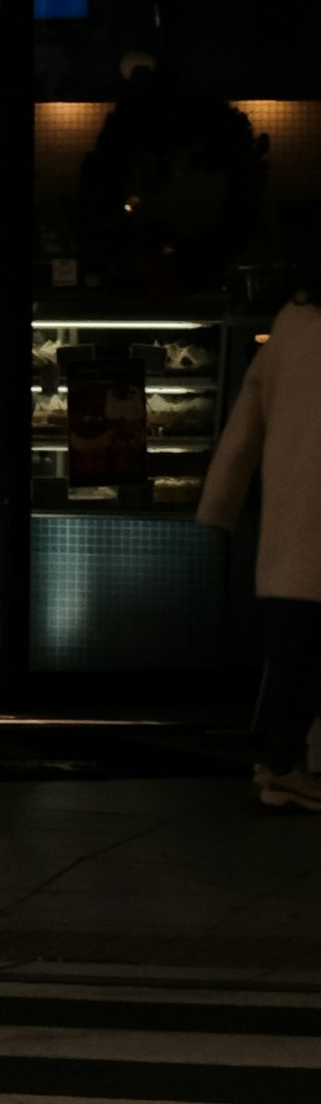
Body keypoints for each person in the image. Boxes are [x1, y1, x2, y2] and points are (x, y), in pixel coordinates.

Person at [198, 244, 321, 811]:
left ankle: (276, 764)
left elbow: (246, 418)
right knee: (306, 656)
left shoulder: (291, 323)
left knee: (295, 648)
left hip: (291, 515)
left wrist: (219, 504)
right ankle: (278, 764)